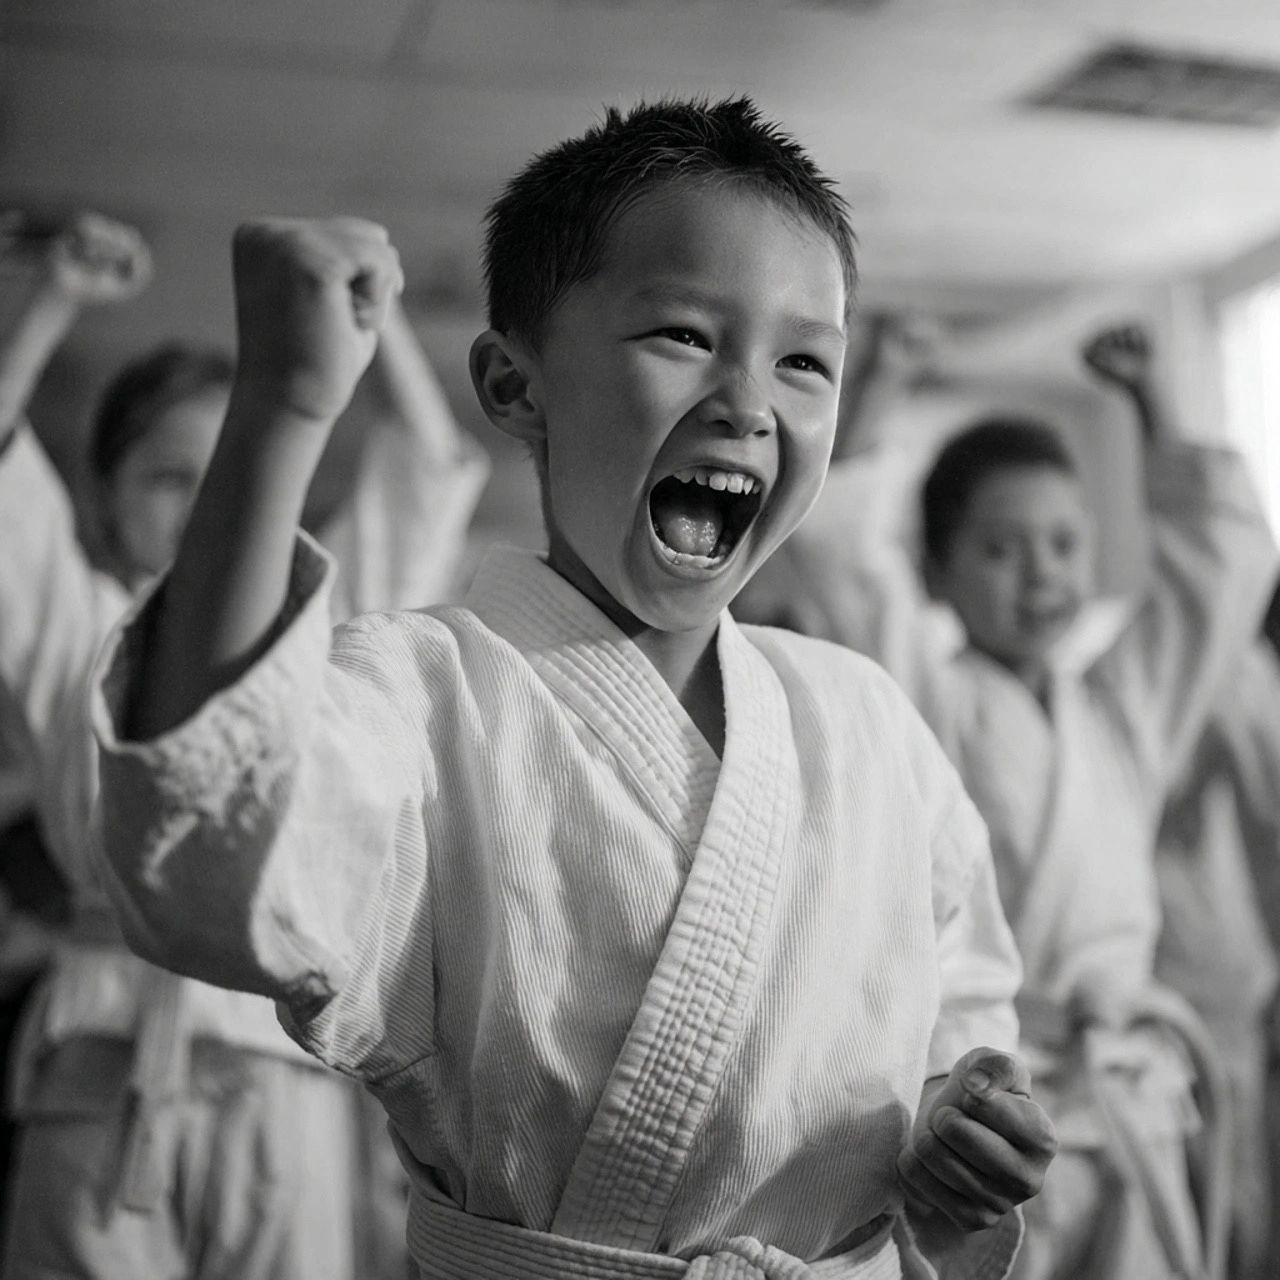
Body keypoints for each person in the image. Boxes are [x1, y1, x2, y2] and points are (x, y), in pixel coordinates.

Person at [89, 98, 1056, 1280]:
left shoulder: (866, 722)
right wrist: (280, 412)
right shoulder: (422, 689)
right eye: (685, 336)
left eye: (804, 360)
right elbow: (210, 856)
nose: (748, 401)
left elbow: (958, 1006)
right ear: (513, 387)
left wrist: (958, 1120)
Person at [0, 211, 488, 1279]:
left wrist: (374, 318)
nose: (204, 510)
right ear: (104, 496)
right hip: (98, 1056)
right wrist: (54, 304)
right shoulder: (73, 625)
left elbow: (430, 464)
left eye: (229, 478)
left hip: (285, 1072)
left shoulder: (315, 638)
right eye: (174, 479)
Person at [784, 321, 1276, 1279]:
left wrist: (1155, 407)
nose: (1042, 571)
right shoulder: (923, 691)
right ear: (937, 571)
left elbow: (1218, 579)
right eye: (1002, 549)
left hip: (1129, 1088)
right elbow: (846, 563)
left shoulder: (1121, 709)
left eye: (1061, 543)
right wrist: (879, 387)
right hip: (992, 1098)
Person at [1153, 582, 1280, 1280]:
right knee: (1215, 1211)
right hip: (1191, 979)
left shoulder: (1240, 673)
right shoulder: (1230, 672)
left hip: (1222, 973)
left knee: (1230, 1206)